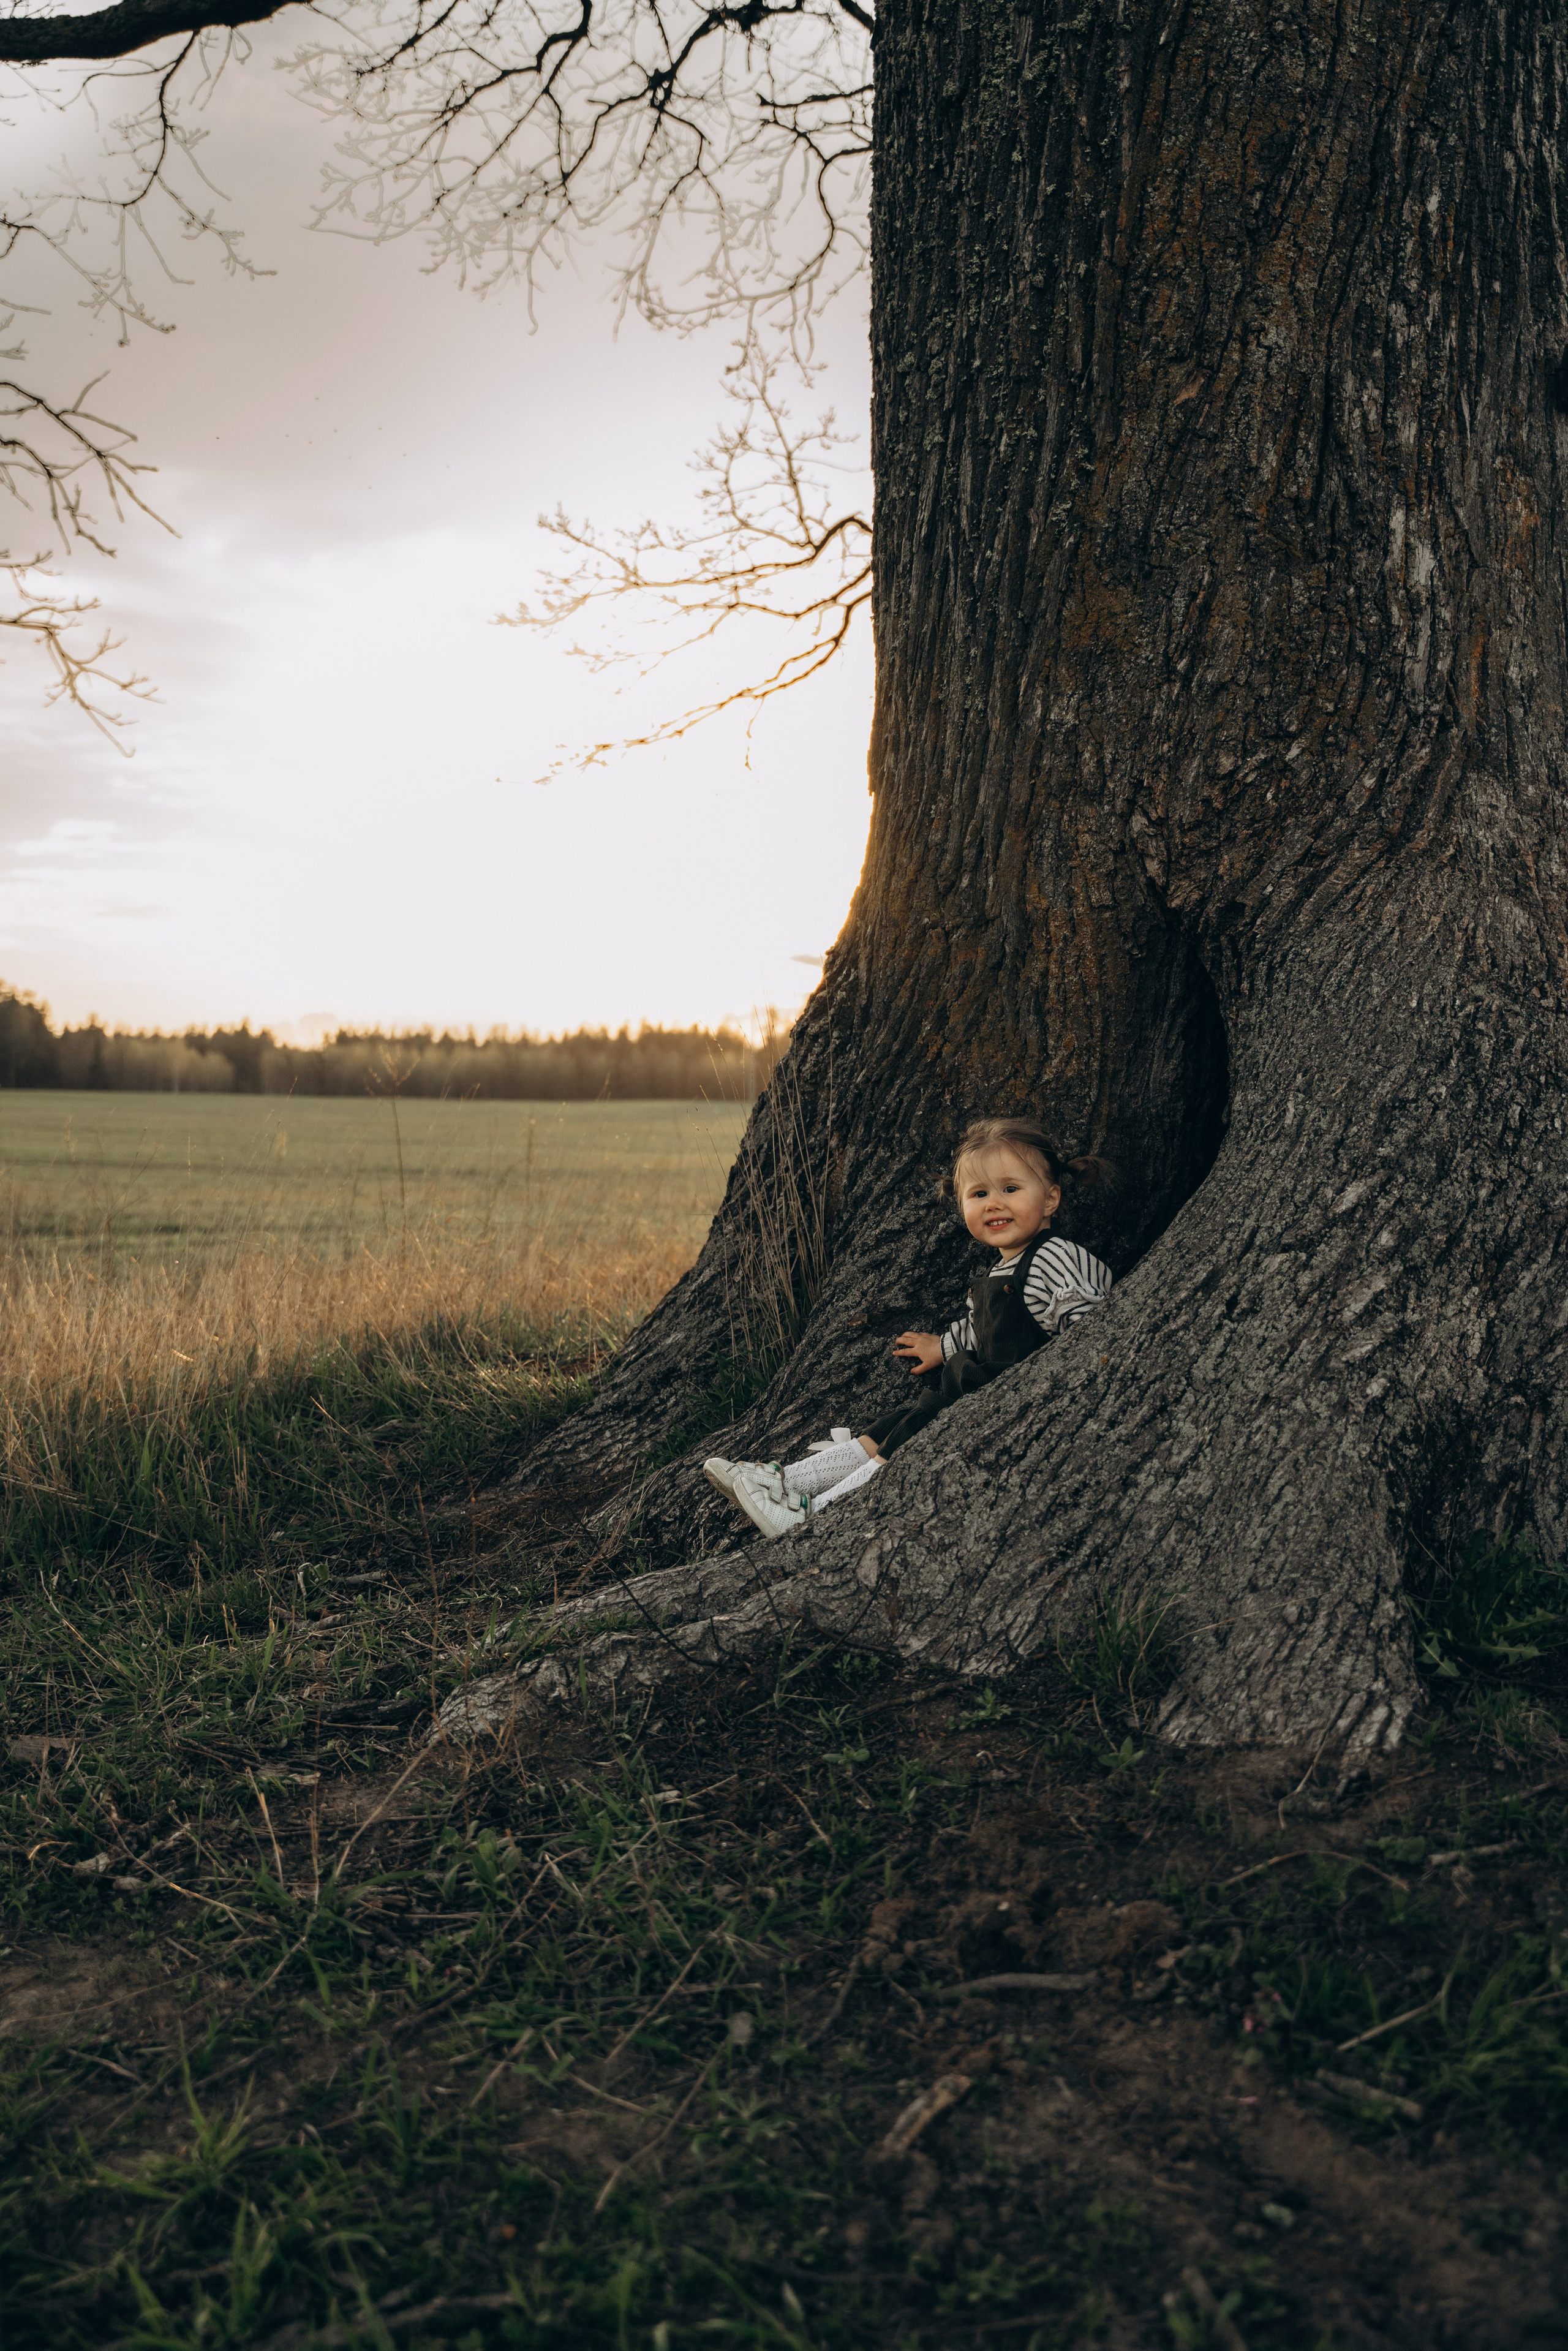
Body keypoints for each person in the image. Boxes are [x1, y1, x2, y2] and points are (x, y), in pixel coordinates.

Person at [704, 1116, 1114, 1539]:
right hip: (975, 1390)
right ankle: (782, 1484)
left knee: (914, 1432)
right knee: (894, 1424)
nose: (994, 1203)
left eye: (1011, 1189)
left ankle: (815, 1512)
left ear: (1050, 1199)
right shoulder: (1003, 1269)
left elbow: (1091, 1326)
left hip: (1013, 1398)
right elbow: (984, 1330)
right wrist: (944, 1346)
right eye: (979, 1193)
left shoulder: (1054, 1257)